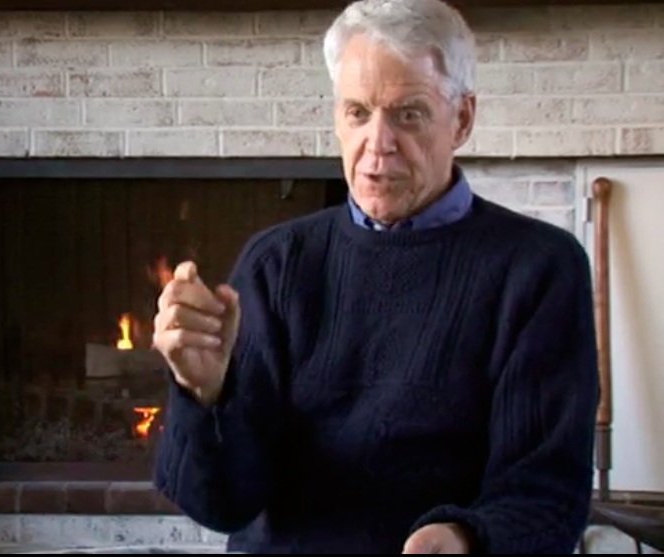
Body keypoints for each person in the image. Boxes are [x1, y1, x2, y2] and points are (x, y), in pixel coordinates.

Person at [150, 0, 600, 553]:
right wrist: (204, 395)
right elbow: (222, 506)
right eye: (358, 113)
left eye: (408, 114)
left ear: (462, 119)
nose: (378, 142)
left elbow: (547, 493)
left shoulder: (537, 268)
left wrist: (466, 538)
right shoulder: (278, 263)